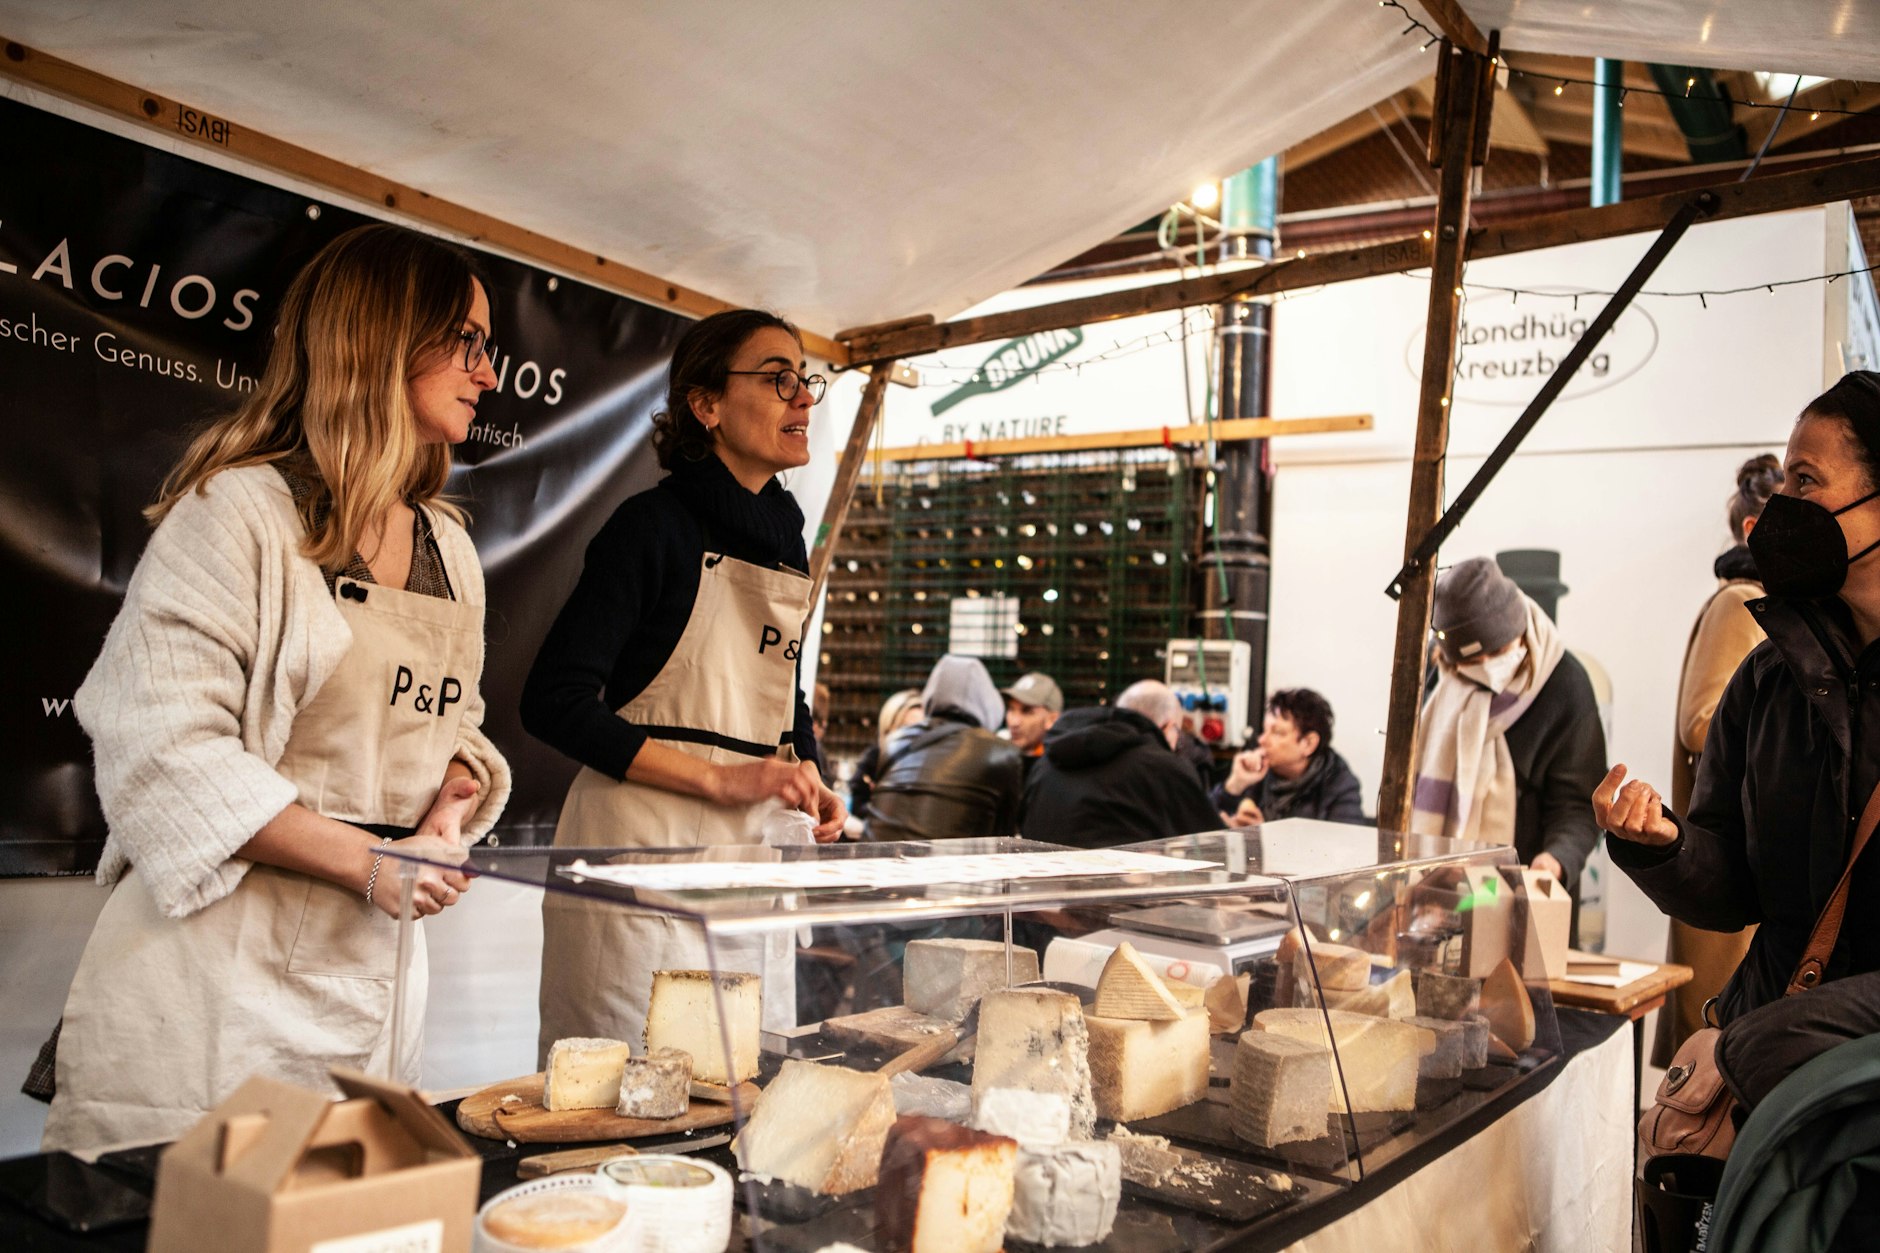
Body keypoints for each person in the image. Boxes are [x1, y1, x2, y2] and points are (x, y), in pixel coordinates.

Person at [41, 224, 513, 1152]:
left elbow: (454, 721)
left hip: (374, 976)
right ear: (382, 336)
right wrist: (368, 863)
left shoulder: (449, 549)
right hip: (219, 973)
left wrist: (451, 804)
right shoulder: (237, 514)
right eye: (467, 340)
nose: (487, 373)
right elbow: (164, 746)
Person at [522, 308, 845, 1056]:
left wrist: (811, 773)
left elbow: (780, 691)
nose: (802, 397)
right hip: (643, 852)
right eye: (776, 378)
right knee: (625, 1096)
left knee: (735, 1085)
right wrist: (714, 779)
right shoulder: (651, 527)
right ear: (705, 405)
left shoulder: (786, 540)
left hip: (747, 859)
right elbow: (553, 699)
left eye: (806, 379)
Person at [1599, 371, 1880, 1063]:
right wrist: (1663, 842)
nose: (1782, 506)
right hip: (1767, 1077)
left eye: (1806, 480)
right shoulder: (1770, 677)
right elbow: (1735, 887)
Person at [1654, 453, 1783, 1067]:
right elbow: (1700, 720)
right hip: (1723, 859)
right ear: (1757, 528)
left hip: (1747, 866)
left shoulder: (1777, 607)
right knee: (1712, 1078)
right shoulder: (1741, 601)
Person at [1413, 557, 1605, 894]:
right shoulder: (1433, 676)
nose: (1486, 666)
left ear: (1518, 629)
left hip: (1522, 889)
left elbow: (1577, 804)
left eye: (1498, 650)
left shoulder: (1565, 684)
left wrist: (1556, 858)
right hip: (1432, 887)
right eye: (1472, 662)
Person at [1021, 680, 1221, 848]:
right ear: (1168, 727)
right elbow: (1212, 845)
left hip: (1042, 890)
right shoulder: (1164, 769)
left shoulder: (1047, 763)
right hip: (1126, 892)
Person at [864, 656, 1023, 841]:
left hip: (871, 862)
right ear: (988, 701)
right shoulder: (1002, 752)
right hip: (942, 866)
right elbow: (1004, 838)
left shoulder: (895, 741)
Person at [1214, 688, 1365, 826]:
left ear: (1308, 744)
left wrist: (1262, 836)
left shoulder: (1339, 785)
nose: (1262, 740)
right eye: (1264, 730)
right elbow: (1199, 822)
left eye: (1277, 732)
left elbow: (1344, 850)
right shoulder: (1257, 770)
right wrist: (1234, 785)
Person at [849, 688, 923, 822]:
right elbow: (858, 807)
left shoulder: (928, 767)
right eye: (906, 728)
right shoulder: (873, 760)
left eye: (920, 730)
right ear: (888, 728)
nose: (913, 736)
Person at [1002, 671, 1063, 782]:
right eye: (1011, 709)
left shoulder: (1060, 772)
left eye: (1027, 711)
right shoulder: (998, 754)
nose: (1014, 722)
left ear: (1053, 719)